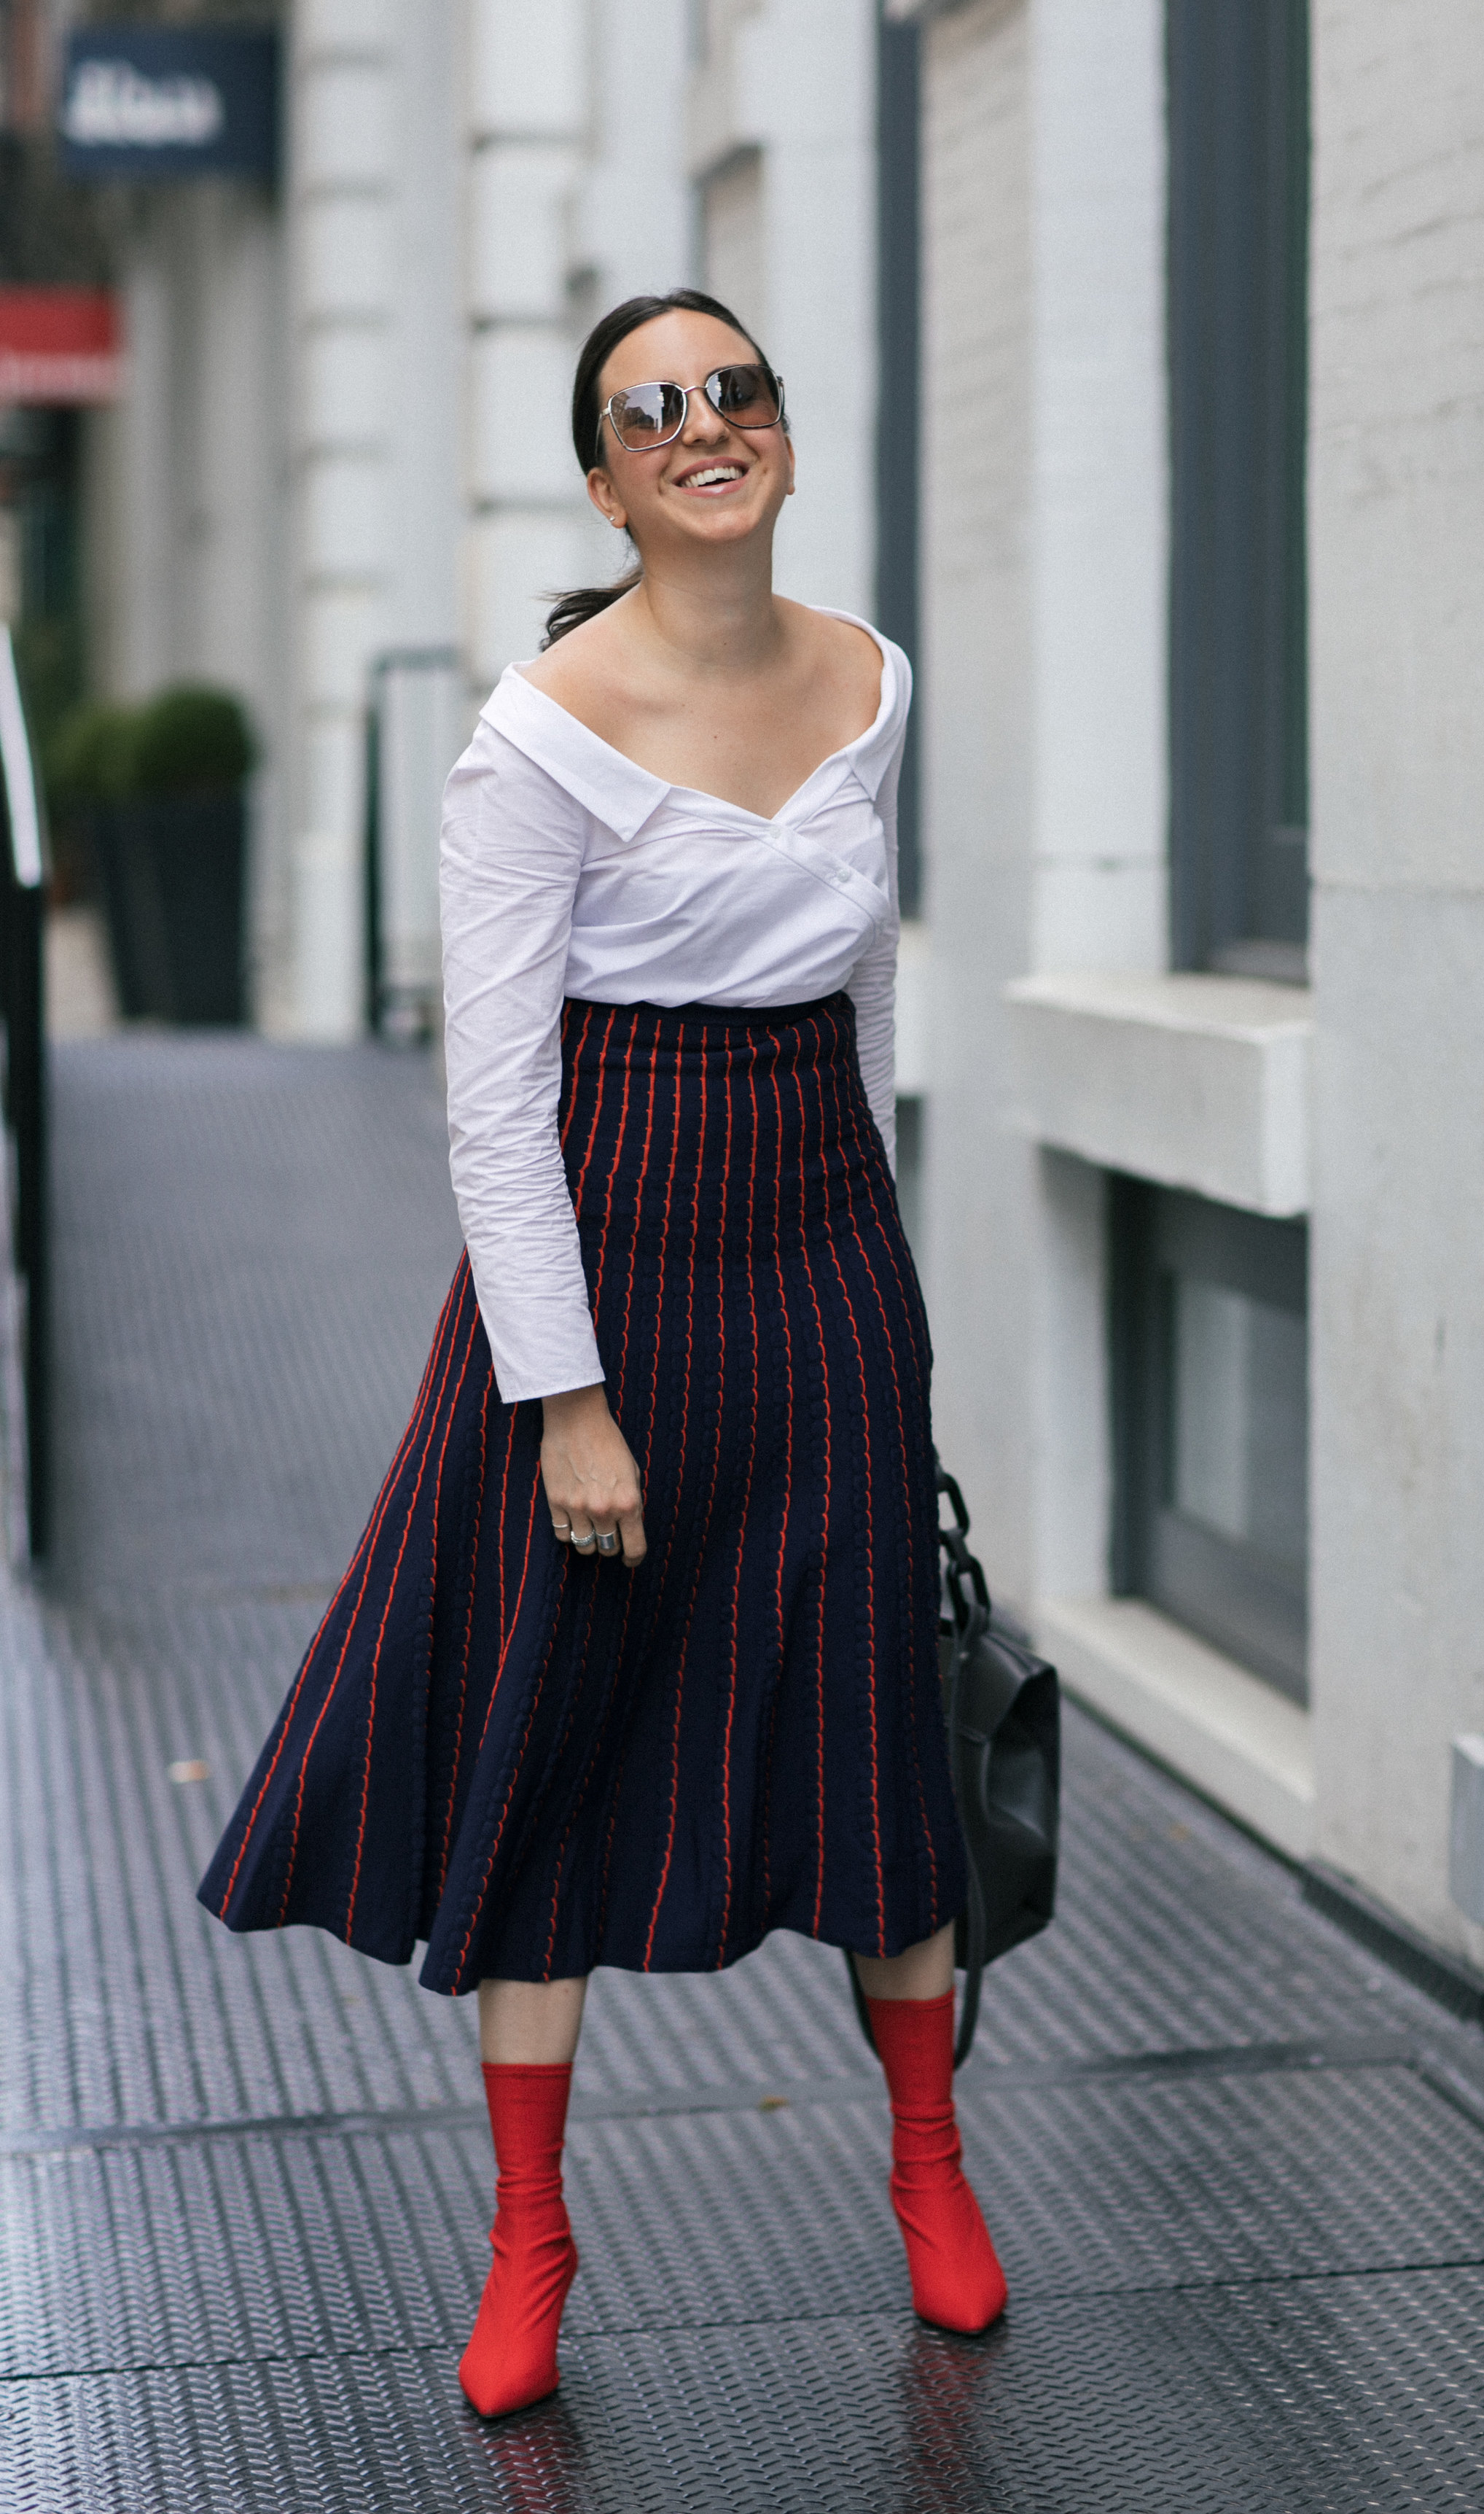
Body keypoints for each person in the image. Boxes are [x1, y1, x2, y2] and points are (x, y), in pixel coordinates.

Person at [198, 287, 1007, 2418]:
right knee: (554, 1755)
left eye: (736, 391)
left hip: (825, 1261)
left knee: (868, 1742)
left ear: (785, 439)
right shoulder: (535, 730)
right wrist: (564, 1394)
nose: (704, 424)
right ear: (607, 479)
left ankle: (931, 2166)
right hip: (611, 1290)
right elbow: (494, 1101)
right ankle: (531, 2240)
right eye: (655, 408)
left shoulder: (872, 681)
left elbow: (866, 1004)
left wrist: (892, 1289)